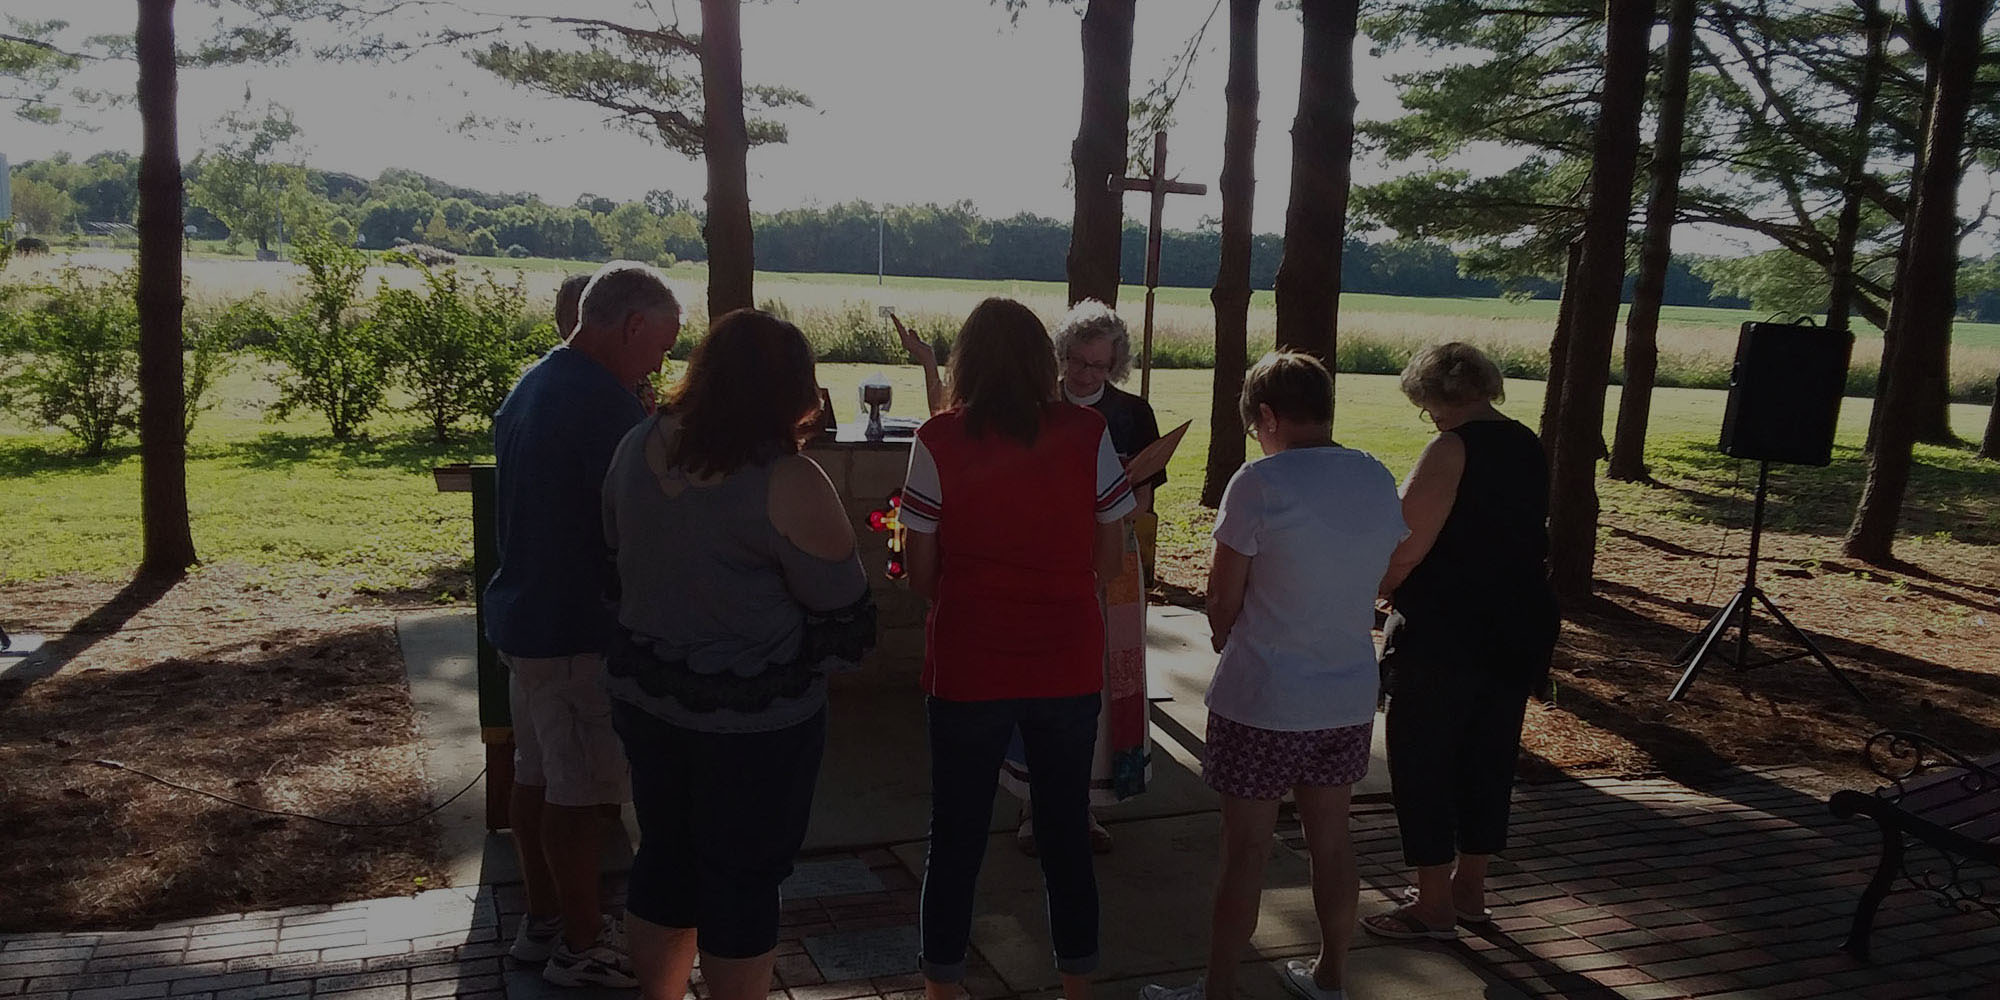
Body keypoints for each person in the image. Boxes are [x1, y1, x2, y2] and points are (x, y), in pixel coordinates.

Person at [601, 308, 873, 1000]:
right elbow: (843, 608)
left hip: (649, 698)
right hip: (755, 724)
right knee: (741, 878)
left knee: (664, 857)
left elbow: (614, 551)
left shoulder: (636, 445)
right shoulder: (790, 479)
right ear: (793, 392)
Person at [1144, 351, 1406, 1000]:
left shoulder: (1260, 482)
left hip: (1264, 697)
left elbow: (1222, 598)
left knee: (1246, 851)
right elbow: (1385, 568)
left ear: (1266, 415)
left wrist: (1230, 637)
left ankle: (1220, 989)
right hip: (1345, 695)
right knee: (1332, 843)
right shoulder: (1374, 474)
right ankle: (1332, 976)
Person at [901, 297, 1136, 1000]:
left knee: (957, 838)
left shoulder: (937, 439)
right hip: (1064, 656)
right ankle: (1077, 988)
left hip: (969, 658)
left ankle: (942, 989)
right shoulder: (1087, 431)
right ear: (1044, 360)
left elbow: (920, 574)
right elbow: (1112, 556)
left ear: (967, 360)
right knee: (1066, 835)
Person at [486, 261, 681, 987]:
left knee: (535, 778)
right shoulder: (602, 406)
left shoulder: (536, 382)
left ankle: (541, 924)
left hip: (525, 617)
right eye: (660, 347)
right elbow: (652, 509)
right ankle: (580, 944)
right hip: (573, 630)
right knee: (579, 795)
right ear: (631, 326)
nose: (659, 364)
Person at [1364, 342, 1558, 941]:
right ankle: (1471, 890)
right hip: (1518, 623)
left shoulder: (1451, 448)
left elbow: (1406, 544)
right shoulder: (1527, 441)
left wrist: (1369, 594)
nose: (1431, 418)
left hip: (1446, 628)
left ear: (1436, 397)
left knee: (1422, 760)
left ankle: (1431, 903)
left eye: (1427, 407)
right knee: (1487, 757)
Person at [1003, 299, 1163, 854]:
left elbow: (1144, 495)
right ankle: (1032, 805)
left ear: (1114, 364)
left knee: (1101, 678)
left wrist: (1115, 496)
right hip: (1048, 557)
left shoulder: (1133, 413)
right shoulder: (1038, 406)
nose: (1086, 374)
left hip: (1112, 560)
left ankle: (1089, 809)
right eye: (1077, 362)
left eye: (1098, 366)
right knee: (1042, 676)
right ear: (1061, 356)